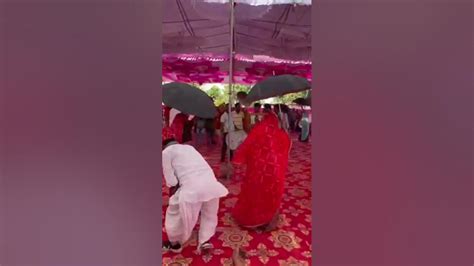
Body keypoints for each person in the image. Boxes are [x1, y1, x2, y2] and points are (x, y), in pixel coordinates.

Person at [162, 127, 229, 254]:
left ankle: (175, 243)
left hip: (192, 188)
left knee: (174, 213)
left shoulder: (165, 153)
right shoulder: (189, 147)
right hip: (212, 184)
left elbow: (171, 182)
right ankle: (205, 241)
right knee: (209, 214)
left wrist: (177, 179)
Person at [231, 112, 291, 231]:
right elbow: (287, 148)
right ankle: (267, 221)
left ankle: (253, 220)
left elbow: (247, 144)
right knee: (270, 195)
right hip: (275, 171)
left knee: (255, 193)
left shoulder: (259, 129)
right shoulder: (282, 134)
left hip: (257, 170)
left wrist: (239, 159)